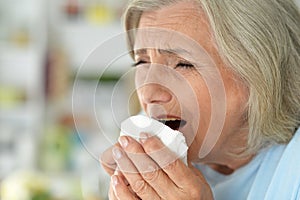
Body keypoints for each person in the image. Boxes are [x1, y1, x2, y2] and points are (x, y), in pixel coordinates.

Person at [100, 0, 300, 199]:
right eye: (142, 62)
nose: (148, 94)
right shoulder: (167, 126)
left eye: (183, 64)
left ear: (260, 73)